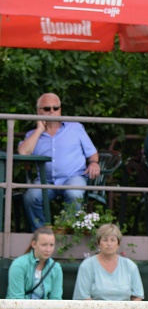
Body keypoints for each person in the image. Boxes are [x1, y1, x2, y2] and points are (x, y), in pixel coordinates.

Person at [18, 93, 101, 230]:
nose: (52, 112)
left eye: (55, 108)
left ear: (60, 109)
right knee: (30, 197)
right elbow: (23, 152)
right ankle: (42, 234)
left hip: (73, 177)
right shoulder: (32, 134)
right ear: (38, 111)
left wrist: (94, 163)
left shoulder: (75, 128)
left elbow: (92, 153)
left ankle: (65, 232)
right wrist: (40, 129)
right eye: (47, 109)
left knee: (74, 193)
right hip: (46, 181)